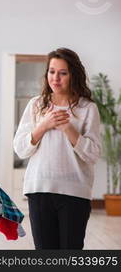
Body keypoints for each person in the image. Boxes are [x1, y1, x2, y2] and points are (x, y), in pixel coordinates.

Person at [13, 48, 101, 249]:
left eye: (63, 73)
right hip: (39, 189)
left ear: (73, 75)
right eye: (52, 72)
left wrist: (69, 129)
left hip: (75, 192)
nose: (56, 78)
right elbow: (20, 148)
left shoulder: (87, 108)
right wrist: (43, 125)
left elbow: (93, 153)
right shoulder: (36, 105)